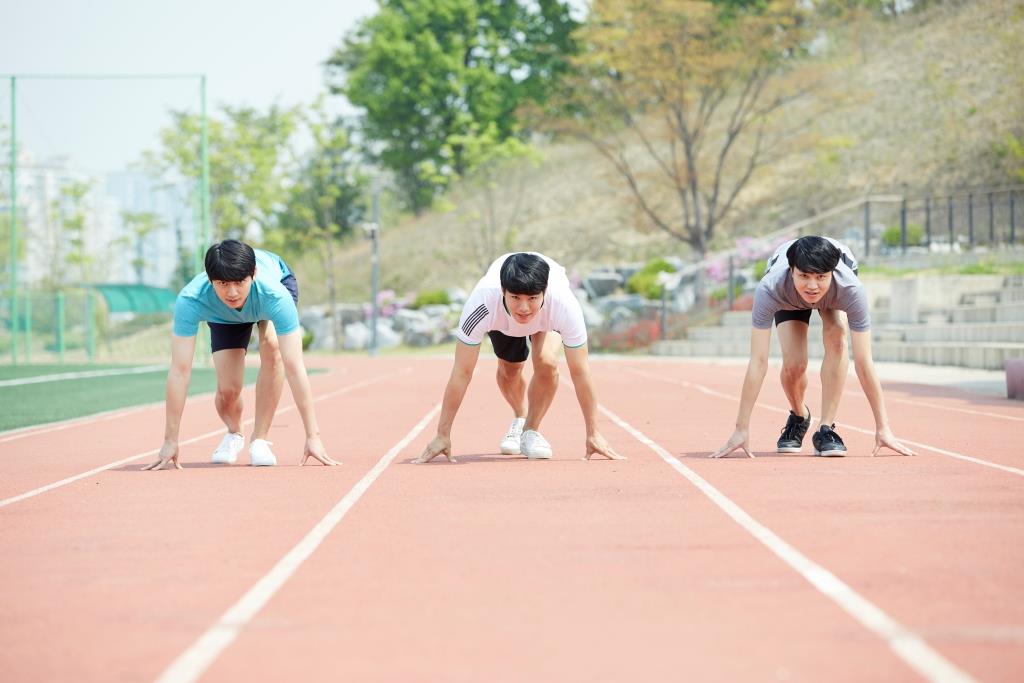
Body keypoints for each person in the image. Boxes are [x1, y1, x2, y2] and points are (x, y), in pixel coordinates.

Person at [710, 235, 916, 458]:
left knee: (837, 337)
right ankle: (799, 416)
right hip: (789, 298)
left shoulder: (851, 289)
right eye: (804, 276)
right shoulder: (770, 289)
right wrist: (741, 429)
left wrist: (883, 427)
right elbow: (758, 361)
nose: (812, 285)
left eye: (820, 277)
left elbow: (864, 362)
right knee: (794, 365)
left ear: (832, 272)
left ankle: (826, 429)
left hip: (833, 296)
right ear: (791, 271)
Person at [144, 239, 339, 470]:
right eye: (223, 283)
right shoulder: (191, 300)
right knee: (229, 390)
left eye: (239, 282)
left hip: (266, 295)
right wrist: (170, 440)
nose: (232, 292)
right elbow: (179, 371)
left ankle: (260, 440)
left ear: (253, 274)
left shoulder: (276, 295)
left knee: (274, 348)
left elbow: (294, 367)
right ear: (209, 279)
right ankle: (234, 433)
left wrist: (313, 436)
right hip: (222, 315)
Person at [414, 252, 624, 464]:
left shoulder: (563, 305)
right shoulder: (482, 304)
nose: (524, 308)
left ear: (544, 292)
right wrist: (442, 434)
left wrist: (593, 432)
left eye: (532, 298)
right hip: (503, 321)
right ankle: (520, 415)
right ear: (503, 291)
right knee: (510, 370)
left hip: (545, 320)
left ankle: (530, 430)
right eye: (515, 297)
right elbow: (462, 372)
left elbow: (580, 371)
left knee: (547, 362)